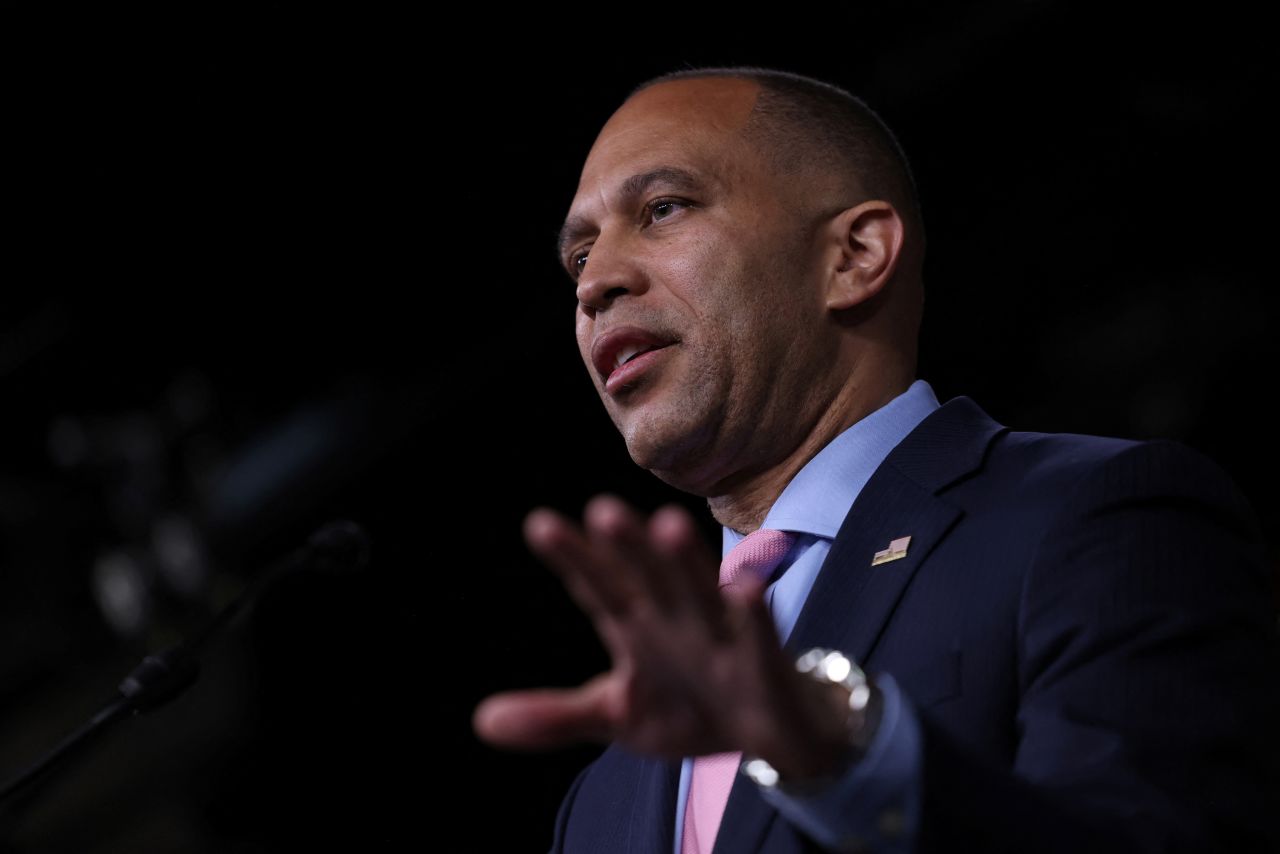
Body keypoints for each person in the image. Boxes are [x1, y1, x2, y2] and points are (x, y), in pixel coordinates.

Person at [472, 66, 1280, 853]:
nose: (594, 284)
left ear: (854, 255)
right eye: (579, 257)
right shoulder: (603, 798)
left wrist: (849, 760)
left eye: (663, 208)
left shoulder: (1095, 519)